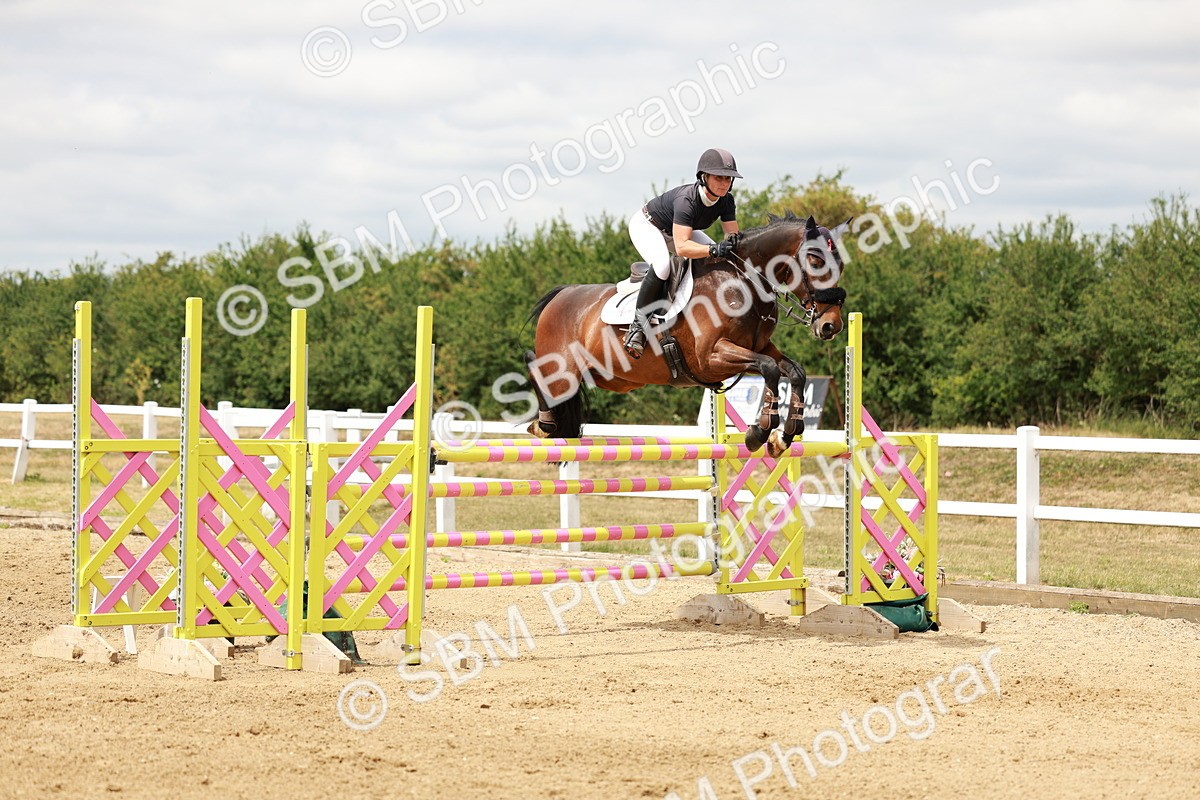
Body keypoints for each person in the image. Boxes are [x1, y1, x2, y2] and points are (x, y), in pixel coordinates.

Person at [623, 147, 743, 359]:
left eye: (728, 178)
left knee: (721, 258)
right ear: (704, 177)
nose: (724, 183)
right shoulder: (687, 200)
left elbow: (732, 236)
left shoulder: (726, 200)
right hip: (648, 226)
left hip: (681, 229)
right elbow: (682, 247)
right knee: (662, 265)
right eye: (719, 178)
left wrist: (729, 247)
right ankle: (637, 328)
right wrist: (713, 249)